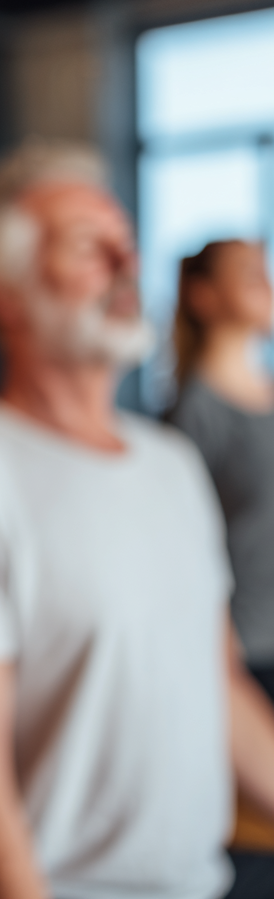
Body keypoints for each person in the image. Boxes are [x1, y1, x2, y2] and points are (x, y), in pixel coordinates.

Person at [0, 142, 274, 899]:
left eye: (125, 243)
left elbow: (222, 688)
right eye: (87, 247)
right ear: (7, 294)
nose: (126, 265)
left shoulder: (173, 465)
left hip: (208, 880)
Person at [170, 241, 274, 692]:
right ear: (203, 295)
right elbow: (184, 550)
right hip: (253, 652)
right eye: (249, 274)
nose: (267, 284)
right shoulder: (194, 414)